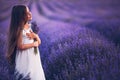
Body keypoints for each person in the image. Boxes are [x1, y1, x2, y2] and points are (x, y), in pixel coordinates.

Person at [6, 5, 46, 80]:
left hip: (33, 57)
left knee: (35, 75)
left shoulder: (31, 26)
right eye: (27, 13)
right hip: (24, 58)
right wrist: (33, 44)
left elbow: (39, 42)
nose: (30, 13)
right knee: (27, 75)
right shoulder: (20, 29)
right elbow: (20, 46)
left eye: (29, 11)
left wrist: (36, 36)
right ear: (21, 16)